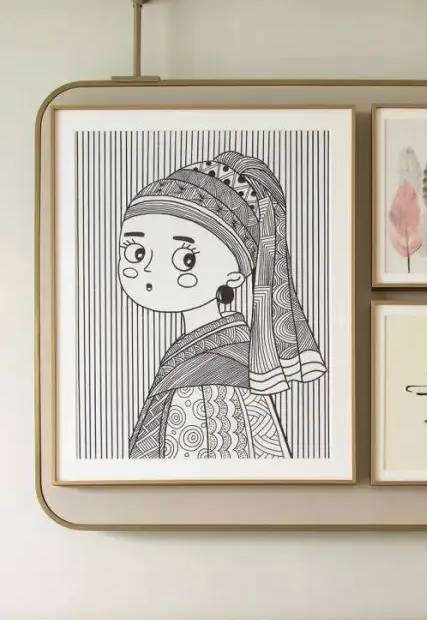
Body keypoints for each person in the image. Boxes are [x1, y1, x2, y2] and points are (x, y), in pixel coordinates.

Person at [118, 150, 325, 460]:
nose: (150, 269)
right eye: (136, 252)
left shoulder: (219, 374)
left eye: (185, 258)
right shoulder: (195, 356)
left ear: (235, 274)